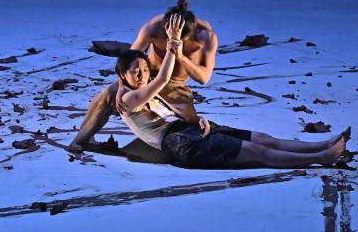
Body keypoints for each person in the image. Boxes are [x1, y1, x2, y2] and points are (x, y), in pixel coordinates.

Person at [113, 15, 349, 169]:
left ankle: (322, 145)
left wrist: (197, 119)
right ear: (124, 75)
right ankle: (320, 158)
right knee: (257, 151)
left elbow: (169, 112)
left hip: (188, 129)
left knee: (264, 139)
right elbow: (163, 78)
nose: (143, 75)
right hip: (181, 142)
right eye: (135, 72)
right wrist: (174, 46)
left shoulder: (136, 88)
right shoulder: (129, 99)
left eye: (145, 70)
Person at [69, 0, 217, 153]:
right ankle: (81, 139)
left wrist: (179, 55)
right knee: (108, 93)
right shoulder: (153, 27)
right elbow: (128, 60)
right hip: (146, 78)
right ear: (165, 28)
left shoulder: (206, 36)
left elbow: (204, 78)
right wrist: (121, 85)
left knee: (191, 128)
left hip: (177, 89)